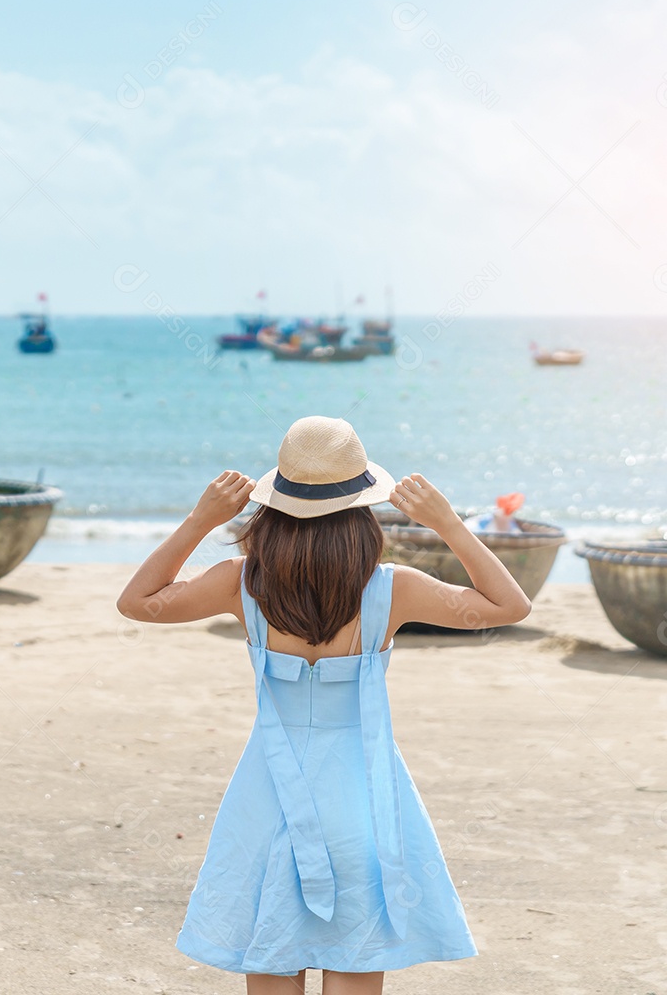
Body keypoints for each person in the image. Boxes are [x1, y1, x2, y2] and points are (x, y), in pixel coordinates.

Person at [116, 416, 532, 995]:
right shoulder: (393, 588)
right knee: (355, 959)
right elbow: (510, 606)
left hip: (268, 796)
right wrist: (447, 524)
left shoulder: (241, 582)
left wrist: (201, 519)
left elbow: (137, 602)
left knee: (272, 956)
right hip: (362, 797)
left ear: (273, 507)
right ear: (362, 512)